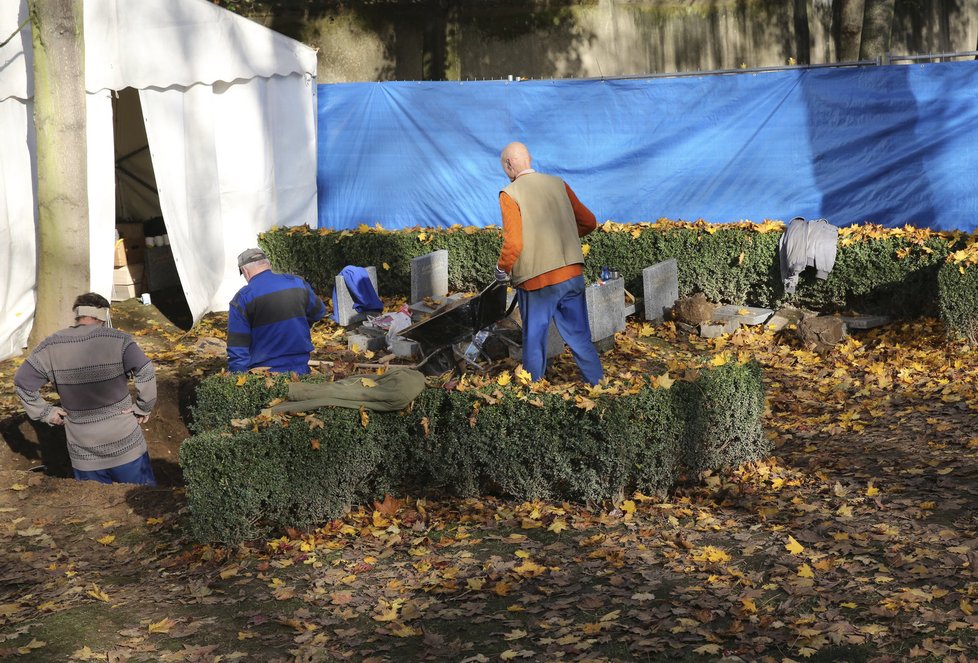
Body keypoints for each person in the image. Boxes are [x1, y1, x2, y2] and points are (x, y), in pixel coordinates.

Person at [13, 293, 157, 485]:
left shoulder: (50, 346)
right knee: (144, 504)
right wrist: (143, 407)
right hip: (126, 447)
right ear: (104, 315)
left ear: (78, 315)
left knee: (96, 511)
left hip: (84, 454)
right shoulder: (119, 340)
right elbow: (146, 370)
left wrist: (46, 412)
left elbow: (22, 381)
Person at [495, 141, 603, 385]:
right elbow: (589, 222)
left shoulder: (509, 194)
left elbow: (513, 244)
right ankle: (598, 383)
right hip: (572, 273)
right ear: (529, 159)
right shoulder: (559, 184)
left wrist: (501, 269)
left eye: (504, 167)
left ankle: (532, 392)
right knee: (579, 337)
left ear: (509, 164)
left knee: (534, 339)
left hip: (537, 282)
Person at [228, 248, 327, 374]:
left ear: (245, 271)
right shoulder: (297, 283)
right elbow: (319, 312)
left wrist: (237, 377)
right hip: (300, 367)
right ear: (268, 264)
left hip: (265, 373)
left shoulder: (243, 298)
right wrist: (297, 324)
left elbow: (238, 345)